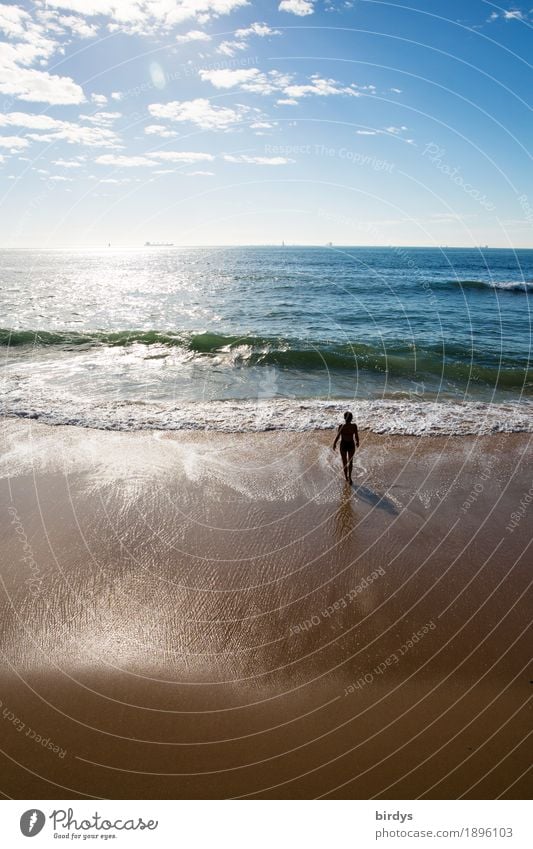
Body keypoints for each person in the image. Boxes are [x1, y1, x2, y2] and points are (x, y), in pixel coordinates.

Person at [333, 411, 359, 484]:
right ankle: (349, 477)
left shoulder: (342, 426)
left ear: (344, 418)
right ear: (351, 418)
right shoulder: (353, 426)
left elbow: (338, 436)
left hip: (344, 445)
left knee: (345, 462)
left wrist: (334, 443)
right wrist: (357, 442)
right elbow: (356, 436)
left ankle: (347, 477)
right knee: (350, 462)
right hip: (350, 444)